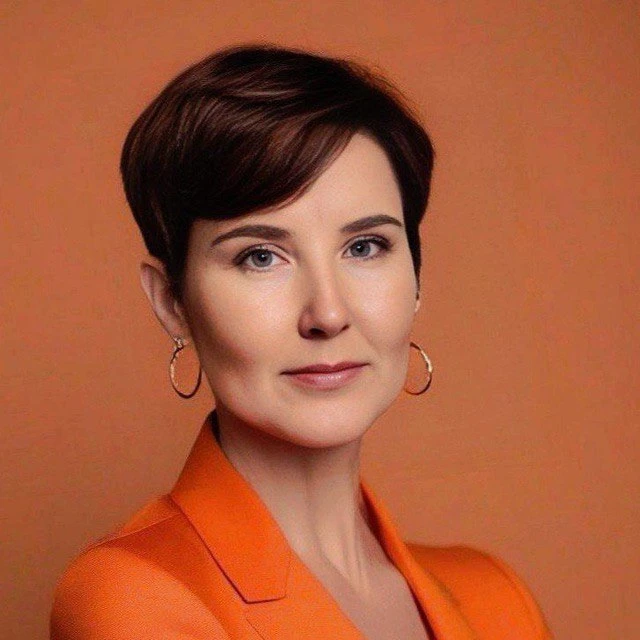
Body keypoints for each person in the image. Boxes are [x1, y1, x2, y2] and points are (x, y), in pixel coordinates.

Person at [49, 43, 553, 640]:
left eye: (364, 247)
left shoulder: (497, 600)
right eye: (261, 256)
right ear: (172, 303)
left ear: (417, 279)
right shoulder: (135, 596)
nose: (328, 314)